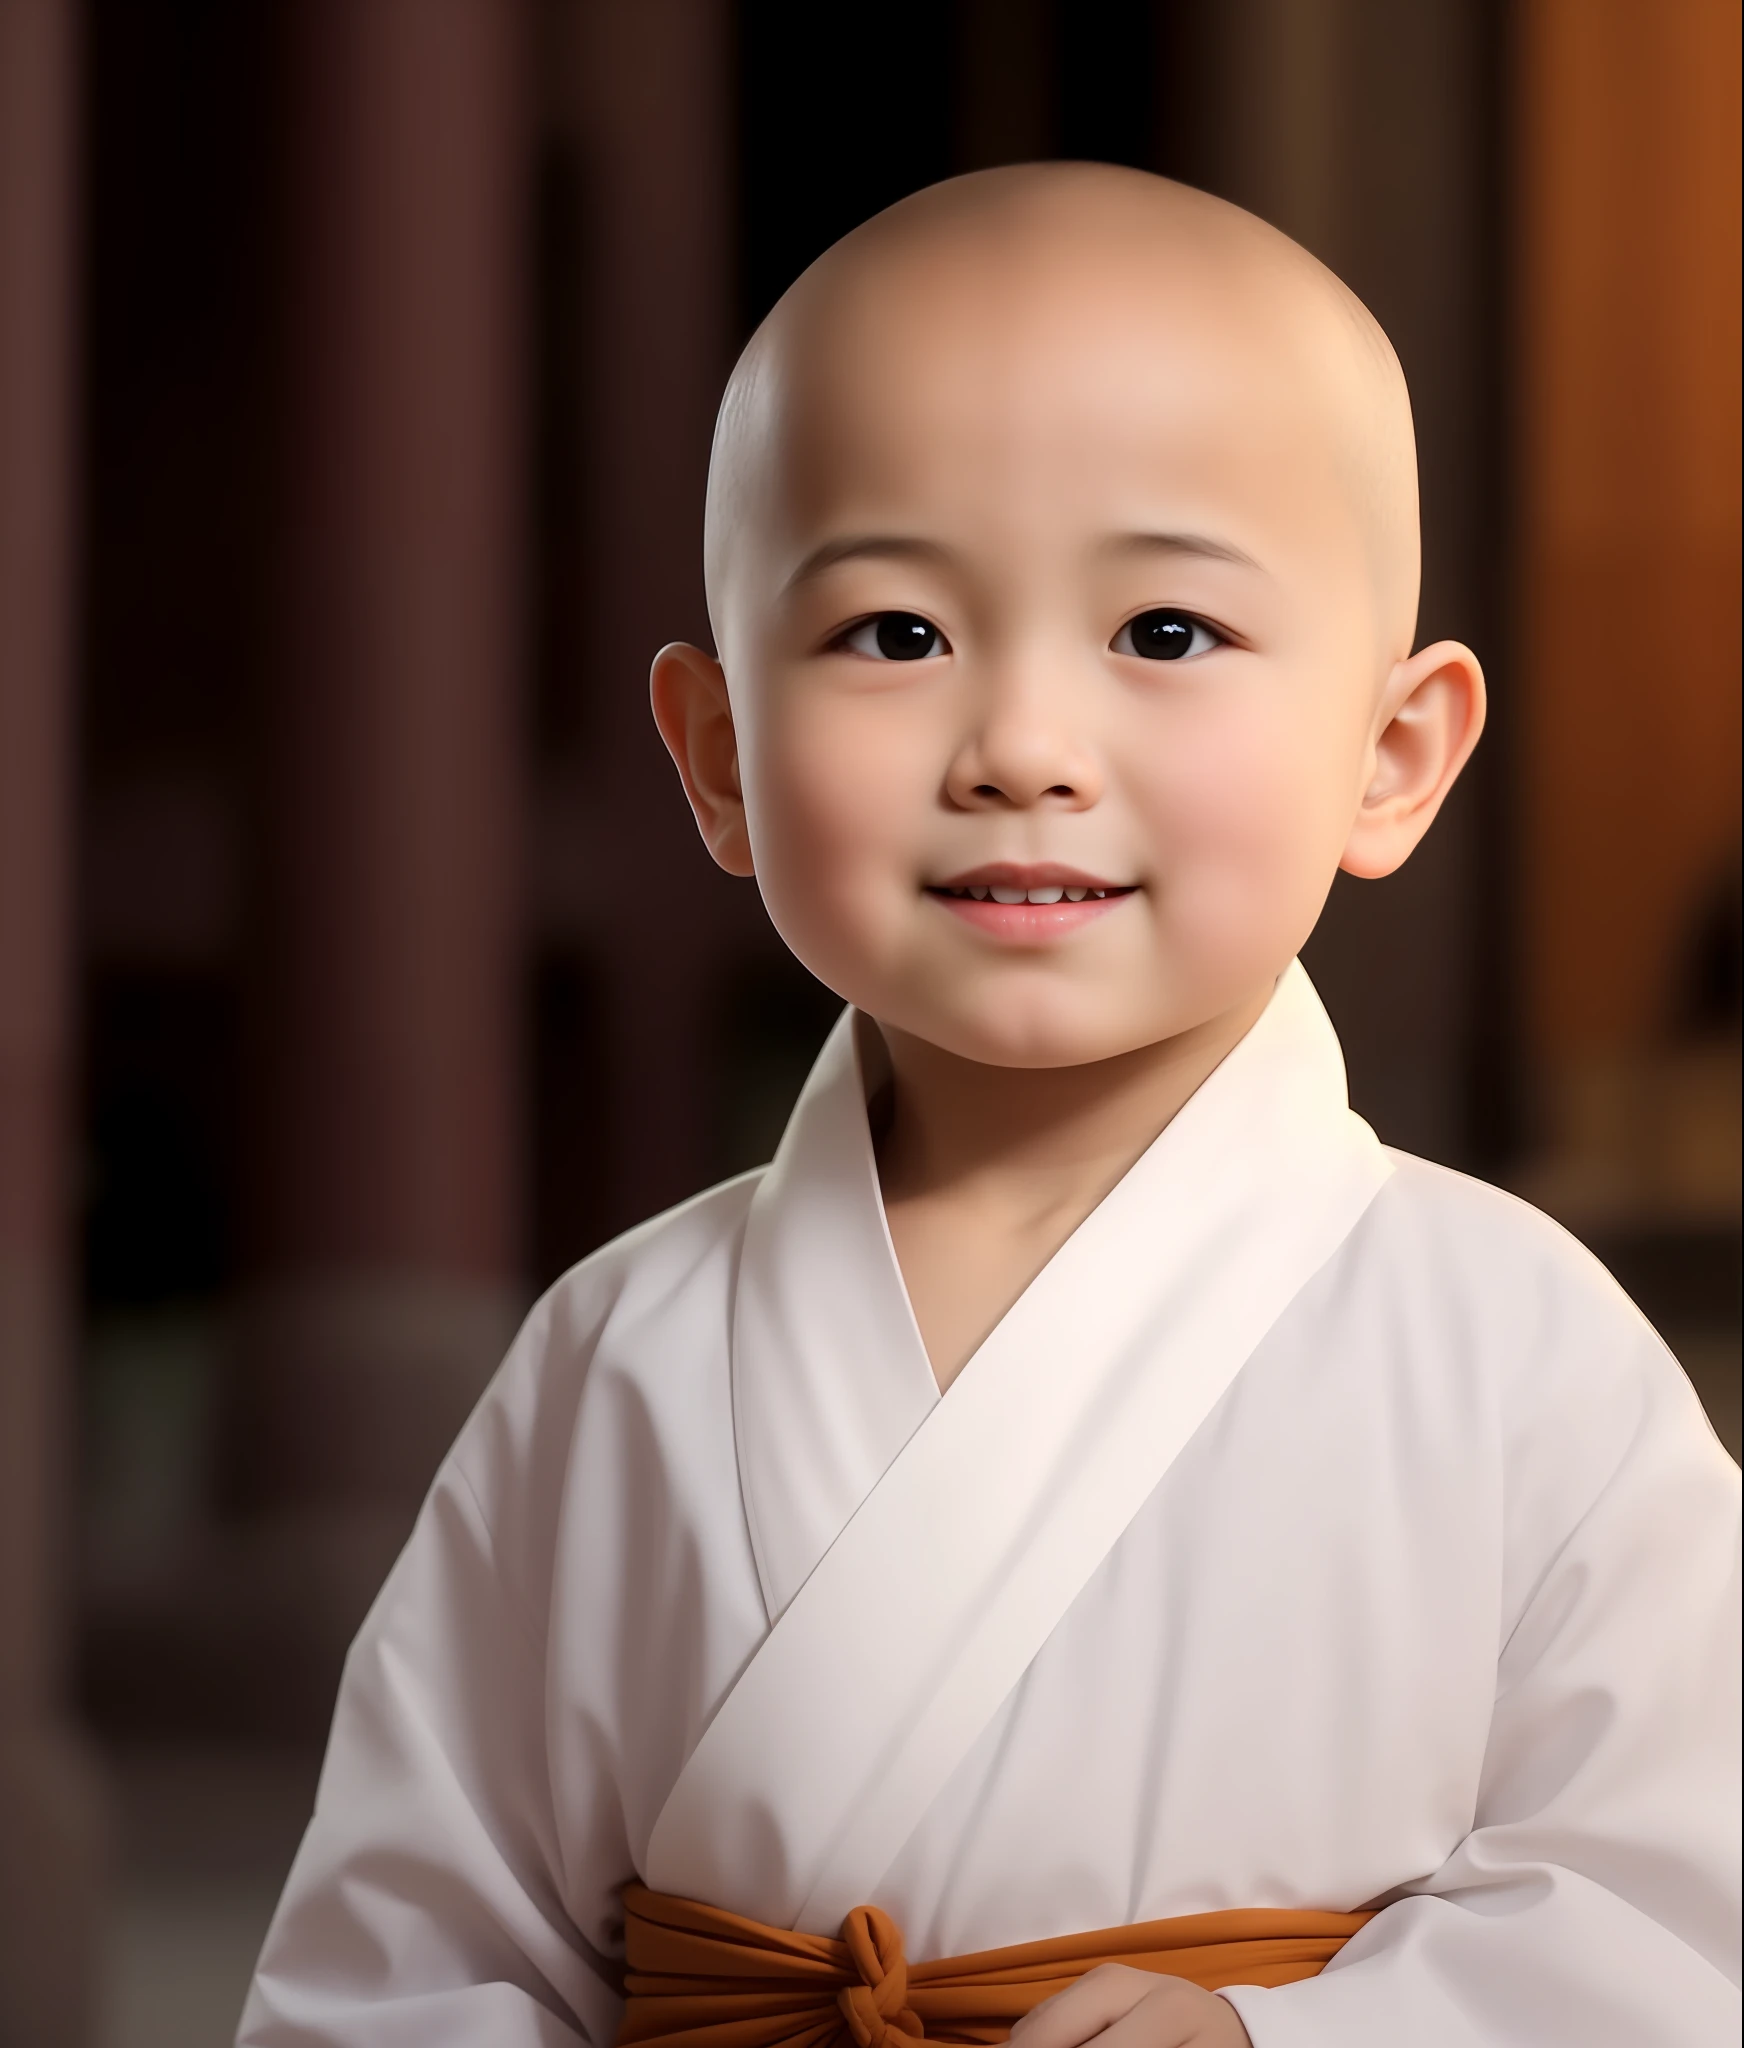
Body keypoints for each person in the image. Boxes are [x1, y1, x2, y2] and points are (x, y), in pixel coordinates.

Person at [237, 165, 1740, 2048]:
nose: (1022, 747)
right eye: (896, 634)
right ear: (716, 757)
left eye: (1166, 634)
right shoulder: (618, 1359)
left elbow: (1675, 1916)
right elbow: (412, 1958)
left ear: (1392, 753)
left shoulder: (1517, 1354)